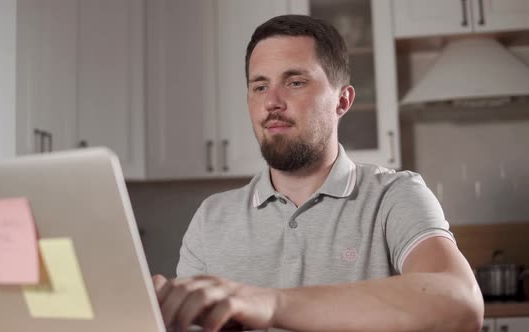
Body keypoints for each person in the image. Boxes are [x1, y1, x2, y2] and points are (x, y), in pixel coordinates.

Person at [153, 15, 483, 332]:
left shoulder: (395, 196)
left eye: (295, 82)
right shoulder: (211, 218)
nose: (272, 102)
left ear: (342, 100)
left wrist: (270, 305)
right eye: (260, 86)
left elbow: (462, 304)